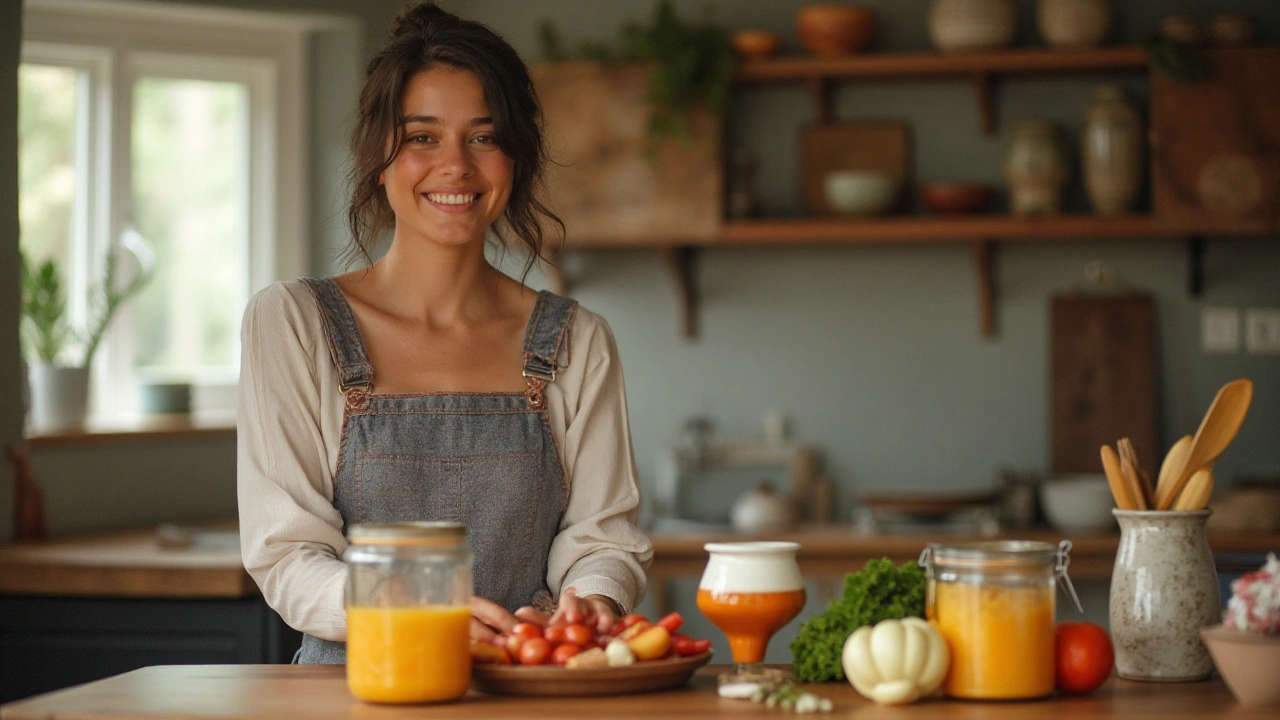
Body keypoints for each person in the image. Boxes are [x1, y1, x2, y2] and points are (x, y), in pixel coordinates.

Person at [236, 2, 653, 664]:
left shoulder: (577, 340)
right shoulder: (293, 322)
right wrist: (418, 614)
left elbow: (603, 542)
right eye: (423, 137)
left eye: (484, 137)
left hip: (526, 695)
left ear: (515, 157)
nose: (455, 166)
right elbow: (287, 556)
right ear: (379, 157)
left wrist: (593, 601)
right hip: (351, 695)